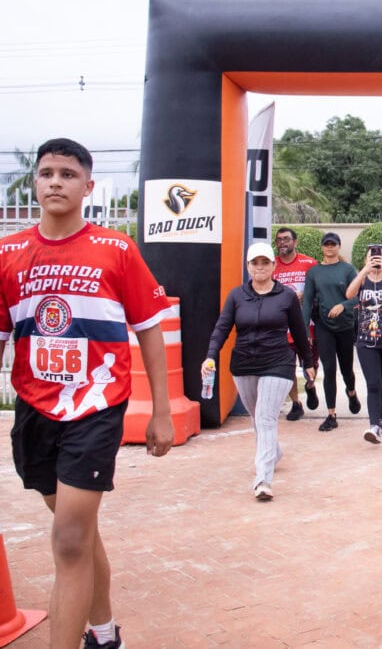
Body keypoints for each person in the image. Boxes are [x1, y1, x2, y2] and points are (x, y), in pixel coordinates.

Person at [1, 138, 174, 648]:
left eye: (68, 174)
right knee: (78, 531)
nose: (56, 181)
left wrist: (160, 412)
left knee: (69, 539)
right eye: (48, 172)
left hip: (96, 406)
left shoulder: (117, 249)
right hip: (34, 410)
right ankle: (103, 631)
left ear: (88, 186)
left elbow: (149, 329)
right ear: (35, 182)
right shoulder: (8, 253)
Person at [204, 242, 316, 501]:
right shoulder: (236, 296)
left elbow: (299, 333)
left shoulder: (286, 296)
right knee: (257, 416)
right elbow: (222, 328)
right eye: (255, 263)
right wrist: (210, 356)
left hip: (278, 362)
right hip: (243, 364)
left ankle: (263, 479)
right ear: (248, 266)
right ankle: (273, 452)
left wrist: (307, 362)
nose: (260, 267)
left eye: (265, 262)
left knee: (266, 418)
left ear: (274, 266)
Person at [302, 232, 361, 431]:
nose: (329, 247)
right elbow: (307, 301)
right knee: (329, 370)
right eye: (326, 244)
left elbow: (357, 296)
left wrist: (343, 305)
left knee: (346, 370)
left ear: (338, 246)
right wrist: (305, 331)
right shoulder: (314, 272)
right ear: (322, 247)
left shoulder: (347, 269)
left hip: (345, 325)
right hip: (323, 326)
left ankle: (351, 392)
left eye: (333, 244)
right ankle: (331, 414)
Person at [347, 245, 382, 443]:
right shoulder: (362, 279)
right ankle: (373, 426)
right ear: (365, 260)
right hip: (365, 340)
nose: (376, 260)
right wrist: (365, 271)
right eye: (372, 257)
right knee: (374, 383)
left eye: (379, 257)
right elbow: (349, 294)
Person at [273, 226, 320, 421]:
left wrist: (306, 296)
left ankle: (310, 386)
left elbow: (320, 289)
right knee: (287, 366)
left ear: (295, 242)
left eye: (286, 239)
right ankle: (295, 403)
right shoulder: (272, 265)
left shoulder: (309, 263)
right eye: (279, 240)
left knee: (311, 365)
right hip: (283, 326)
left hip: (307, 325)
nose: (282, 242)